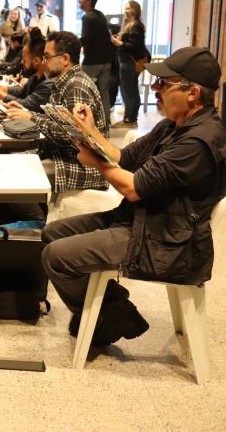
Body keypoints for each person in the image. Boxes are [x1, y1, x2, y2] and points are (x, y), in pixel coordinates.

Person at [42, 47, 226, 347]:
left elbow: (133, 187)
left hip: (166, 243)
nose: (155, 89)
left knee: (56, 256)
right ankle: (112, 310)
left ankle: (111, 315)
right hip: (142, 221)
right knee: (52, 233)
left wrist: (95, 162)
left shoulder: (199, 141)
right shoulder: (173, 126)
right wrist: (90, 131)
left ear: (192, 93)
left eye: (163, 84)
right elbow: (124, 158)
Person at [6, 31, 109, 221]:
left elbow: (72, 136)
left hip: (81, 165)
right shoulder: (66, 82)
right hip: (64, 157)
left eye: (47, 56)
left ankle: (40, 226)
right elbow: (57, 122)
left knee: (15, 174)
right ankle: (35, 221)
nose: (44, 62)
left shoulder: (76, 86)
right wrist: (29, 114)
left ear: (65, 59)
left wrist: (32, 118)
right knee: (12, 163)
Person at [0, 28, 53, 113]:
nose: (21, 62)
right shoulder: (35, 77)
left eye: (24, 59)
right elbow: (22, 92)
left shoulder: (48, 84)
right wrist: (1, 88)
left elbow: (26, 104)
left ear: (36, 61)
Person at [79, 0, 117, 126]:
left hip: (92, 62)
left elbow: (86, 39)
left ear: (89, 1)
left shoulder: (87, 17)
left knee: (83, 90)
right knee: (104, 92)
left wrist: (73, 44)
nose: (79, 0)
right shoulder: (100, 15)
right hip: (106, 60)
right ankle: (106, 121)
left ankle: (84, 120)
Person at [110, 0, 148, 128]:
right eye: (125, 8)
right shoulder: (129, 24)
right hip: (125, 62)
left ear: (135, 10)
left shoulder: (135, 25)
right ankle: (129, 119)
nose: (126, 11)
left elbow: (136, 46)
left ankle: (130, 120)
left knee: (130, 92)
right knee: (128, 91)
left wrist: (120, 43)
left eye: (128, 8)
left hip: (130, 63)